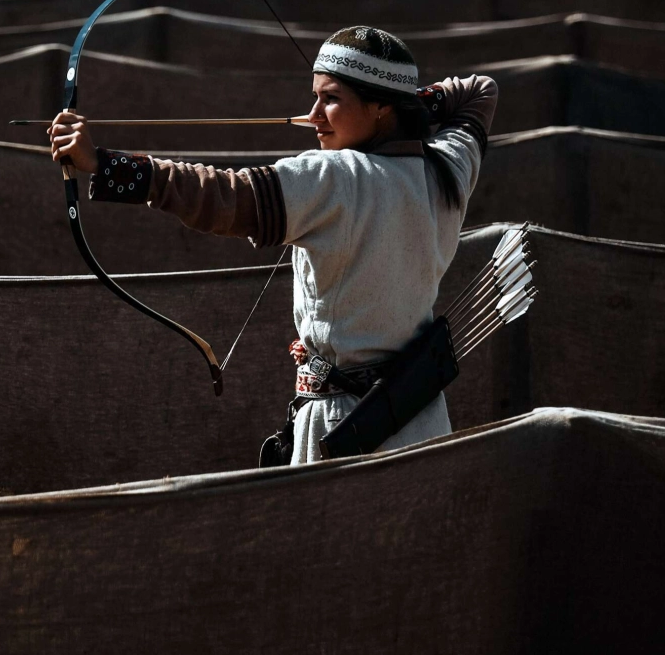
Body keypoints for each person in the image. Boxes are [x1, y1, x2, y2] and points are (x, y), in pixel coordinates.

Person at [48, 25, 499, 464]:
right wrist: (411, 105)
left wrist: (105, 164)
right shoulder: (448, 169)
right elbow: (481, 90)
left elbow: (221, 195)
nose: (314, 115)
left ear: (380, 107)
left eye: (332, 99)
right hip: (423, 427)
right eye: (315, 96)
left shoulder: (337, 178)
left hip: (345, 431)